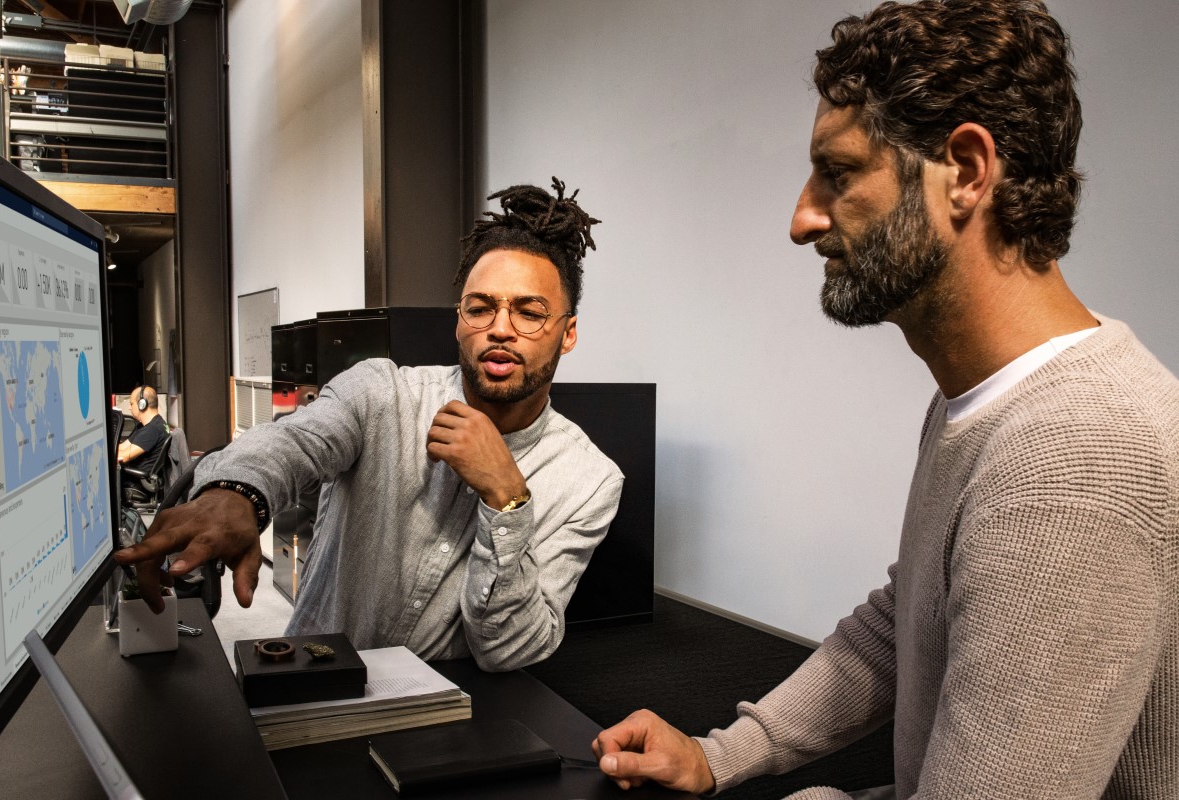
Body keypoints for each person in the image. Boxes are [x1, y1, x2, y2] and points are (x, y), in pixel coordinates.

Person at [593, 1, 1177, 797]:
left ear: (967, 172)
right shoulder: (980, 407)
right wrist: (719, 754)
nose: (803, 219)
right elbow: (902, 625)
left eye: (837, 173)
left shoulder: (1076, 455)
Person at [115, 178, 624, 672]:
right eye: (481, 307)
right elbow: (294, 441)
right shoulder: (384, 394)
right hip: (315, 687)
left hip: (453, 722)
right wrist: (234, 492)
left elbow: (508, 650)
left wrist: (507, 498)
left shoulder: (588, 481)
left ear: (568, 333)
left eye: (530, 313)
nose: (499, 328)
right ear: (459, 318)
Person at [117, 385, 167, 472]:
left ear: (142, 404)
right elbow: (123, 446)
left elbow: (123, 457)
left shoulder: (152, 430)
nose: (129, 408)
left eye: (131, 404)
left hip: (136, 480)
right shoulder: (146, 425)